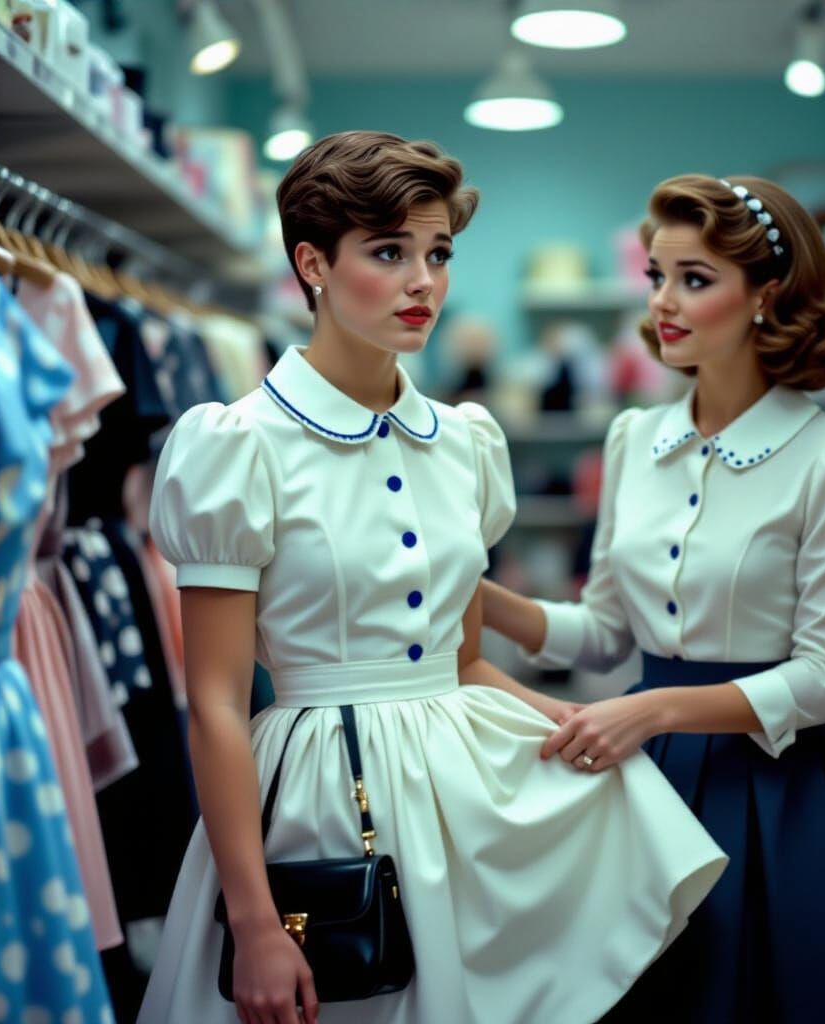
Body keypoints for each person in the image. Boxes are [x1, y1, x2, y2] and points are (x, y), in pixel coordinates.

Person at [135, 133, 726, 1024]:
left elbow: (463, 664)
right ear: (313, 264)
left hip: (457, 790)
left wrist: (568, 719)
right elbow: (216, 703)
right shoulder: (237, 445)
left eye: (438, 254)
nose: (424, 282)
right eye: (388, 253)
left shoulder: (464, 443)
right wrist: (255, 922)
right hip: (319, 796)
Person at [481, 174, 825, 1024]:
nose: (664, 304)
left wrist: (653, 713)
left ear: (767, 295)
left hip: (775, 789)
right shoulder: (633, 439)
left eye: (696, 278)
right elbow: (606, 631)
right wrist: (477, 591)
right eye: (656, 276)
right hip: (642, 779)